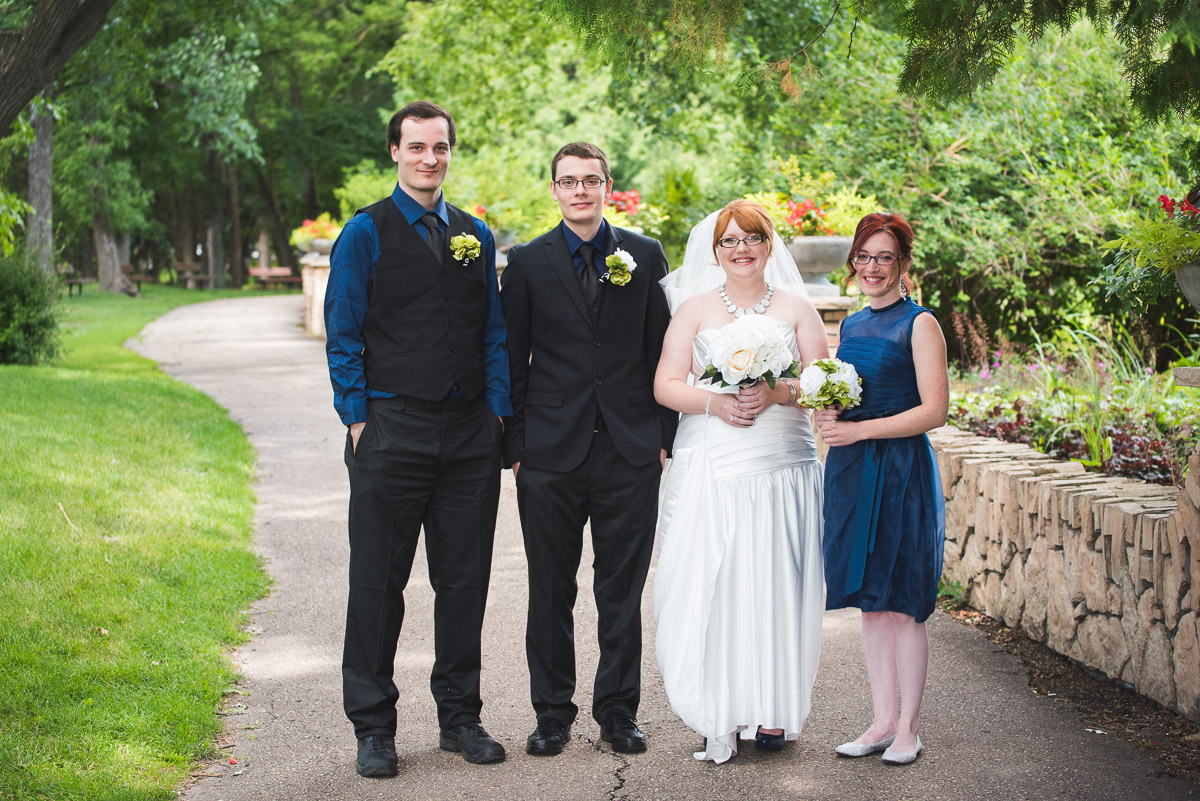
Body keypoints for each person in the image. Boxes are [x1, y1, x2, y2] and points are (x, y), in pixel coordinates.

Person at [324, 100, 512, 778]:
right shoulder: (364, 233)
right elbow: (342, 329)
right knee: (378, 582)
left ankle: (460, 718)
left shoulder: (475, 235)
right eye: (416, 147)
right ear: (395, 152)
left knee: (463, 582)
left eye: (439, 148)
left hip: (468, 438)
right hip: (391, 429)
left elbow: (493, 329)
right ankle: (373, 727)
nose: (428, 158)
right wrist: (357, 417)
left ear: (449, 153)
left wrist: (496, 414)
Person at [500, 142, 676, 757]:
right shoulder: (524, 263)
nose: (580, 191)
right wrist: (517, 446)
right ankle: (551, 714)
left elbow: (664, 354)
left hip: (630, 451)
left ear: (609, 186)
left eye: (590, 181)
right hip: (548, 454)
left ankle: (618, 712)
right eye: (568, 182)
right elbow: (511, 361)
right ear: (553, 189)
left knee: (620, 592)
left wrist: (662, 438)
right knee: (550, 588)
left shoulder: (645, 256)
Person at [652, 199, 829, 764]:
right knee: (719, 581)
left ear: (769, 245)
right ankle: (720, 708)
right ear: (716, 251)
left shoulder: (799, 309)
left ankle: (774, 710)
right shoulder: (694, 310)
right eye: (729, 241)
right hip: (718, 458)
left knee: (779, 583)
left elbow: (823, 383)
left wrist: (780, 391)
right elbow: (666, 384)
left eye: (751, 238)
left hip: (782, 464)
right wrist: (715, 402)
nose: (741, 249)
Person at [815, 211, 948, 766]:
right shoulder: (850, 327)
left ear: (902, 263)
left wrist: (859, 428)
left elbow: (934, 410)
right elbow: (851, 394)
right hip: (851, 471)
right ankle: (879, 722)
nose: (872, 267)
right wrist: (829, 408)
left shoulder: (920, 324)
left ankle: (909, 730)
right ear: (854, 263)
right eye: (864, 257)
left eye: (884, 257)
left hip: (900, 471)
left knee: (902, 605)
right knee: (870, 604)